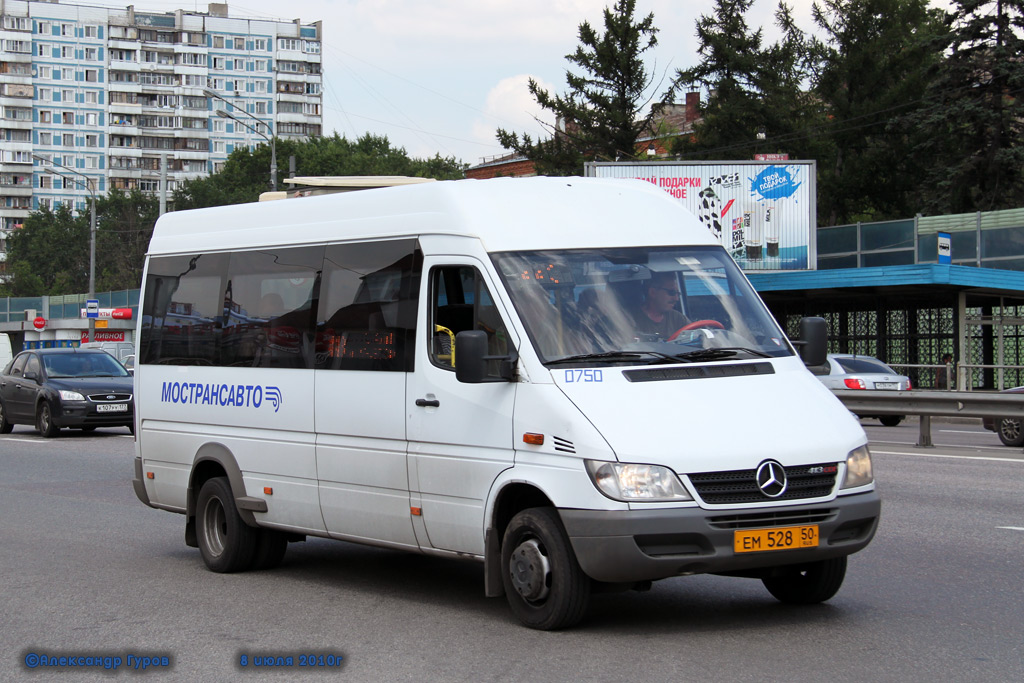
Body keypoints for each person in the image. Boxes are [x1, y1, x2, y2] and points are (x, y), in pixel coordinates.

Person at [633, 272, 691, 339]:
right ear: (652, 292)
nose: (676, 299)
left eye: (678, 294)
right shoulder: (630, 319)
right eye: (672, 292)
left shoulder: (679, 319)